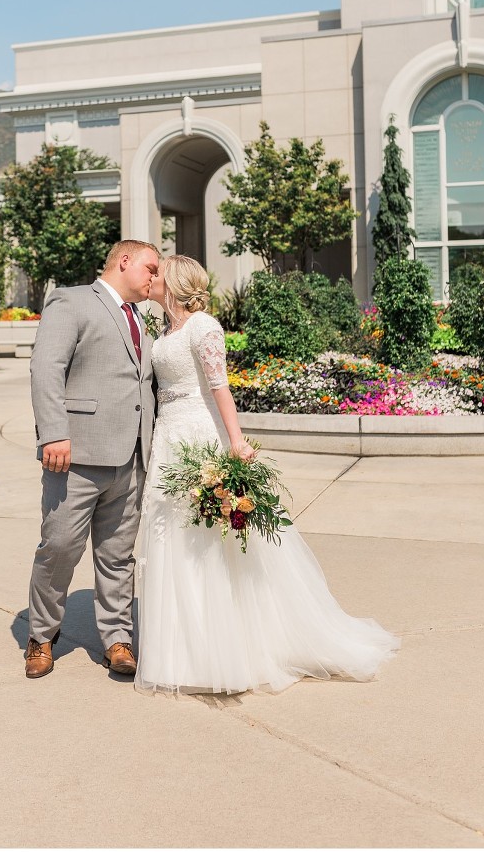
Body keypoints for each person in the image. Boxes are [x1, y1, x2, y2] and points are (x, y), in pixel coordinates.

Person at [135, 254, 400, 695]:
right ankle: (182, 654)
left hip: (201, 436)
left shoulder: (203, 326)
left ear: (177, 281)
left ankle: (226, 653)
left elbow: (220, 386)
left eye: (158, 271)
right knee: (173, 539)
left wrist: (236, 443)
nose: (152, 277)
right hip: (169, 440)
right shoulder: (164, 329)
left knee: (210, 543)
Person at [25, 239, 160, 679]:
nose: (155, 279)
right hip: (76, 455)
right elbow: (46, 367)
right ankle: (41, 636)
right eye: (151, 269)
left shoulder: (141, 319)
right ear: (125, 260)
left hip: (132, 455)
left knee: (118, 556)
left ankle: (118, 640)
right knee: (60, 547)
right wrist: (54, 433)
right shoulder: (72, 301)